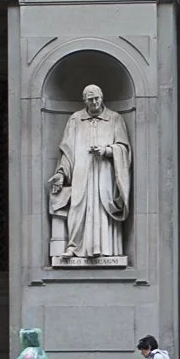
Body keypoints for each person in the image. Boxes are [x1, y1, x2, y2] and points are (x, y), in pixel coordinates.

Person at [48, 84, 132, 258]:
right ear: (84, 100)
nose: (94, 102)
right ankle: (74, 246)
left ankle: (106, 249)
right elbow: (67, 150)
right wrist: (61, 174)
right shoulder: (75, 119)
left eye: (96, 98)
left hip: (105, 173)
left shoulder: (115, 119)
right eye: (90, 99)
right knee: (78, 207)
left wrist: (107, 151)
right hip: (81, 172)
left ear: (102, 98)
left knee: (102, 206)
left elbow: (123, 147)